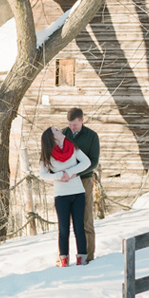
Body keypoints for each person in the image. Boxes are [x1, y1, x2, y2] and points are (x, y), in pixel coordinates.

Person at [39, 126, 90, 266]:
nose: (60, 131)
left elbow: (87, 162)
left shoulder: (72, 147)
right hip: (61, 194)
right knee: (63, 228)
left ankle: (82, 258)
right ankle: (64, 259)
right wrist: (59, 176)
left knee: (79, 227)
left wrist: (72, 171)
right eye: (56, 131)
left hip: (78, 191)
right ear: (52, 137)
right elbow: (43, 174)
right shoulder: (47, 154)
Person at [63, 107, 100, 262]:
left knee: (85, 219)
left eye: (75, 125)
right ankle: (63, 258)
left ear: (82, 120)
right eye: (70, 124)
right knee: (64, 221)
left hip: (84, 179)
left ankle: (88, 257)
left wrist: (77, 172)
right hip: (65, 181)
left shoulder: (91, 136)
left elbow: (94, 161)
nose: (72, 128)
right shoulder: (63, 134)